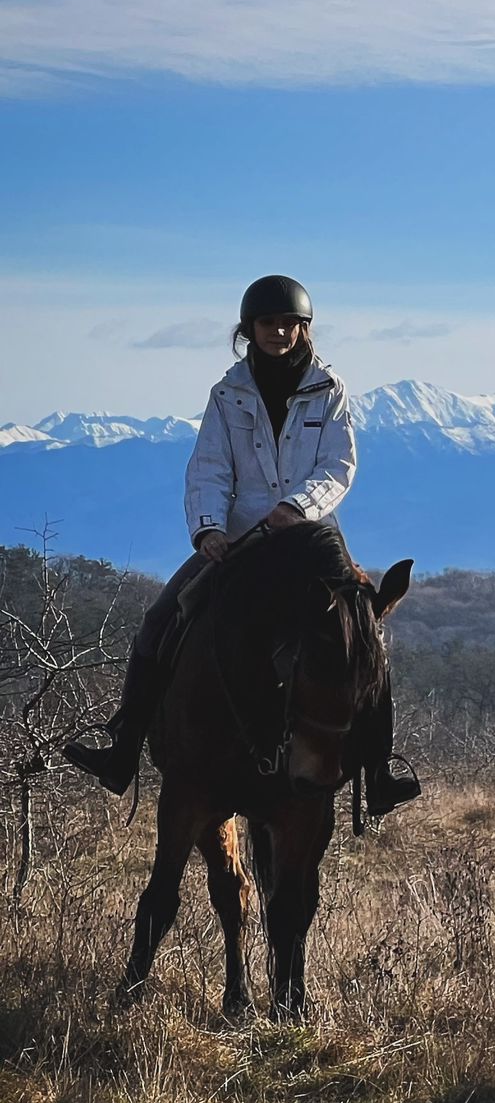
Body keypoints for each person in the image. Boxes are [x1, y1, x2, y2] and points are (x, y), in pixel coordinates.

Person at [62, 275, 421, 815]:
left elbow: (339, 464)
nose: (279, 332)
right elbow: (209, 467)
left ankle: (379, 770)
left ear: (304, 330)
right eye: (267, 323)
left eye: (289, 324)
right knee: (164, 616)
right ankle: (123, 747)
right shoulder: (227, 394)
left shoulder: (331, 388)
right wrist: (207, 528)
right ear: (247, 330)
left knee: (364, 634)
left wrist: (298, 505)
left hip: (311, 531)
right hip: (239, 535)